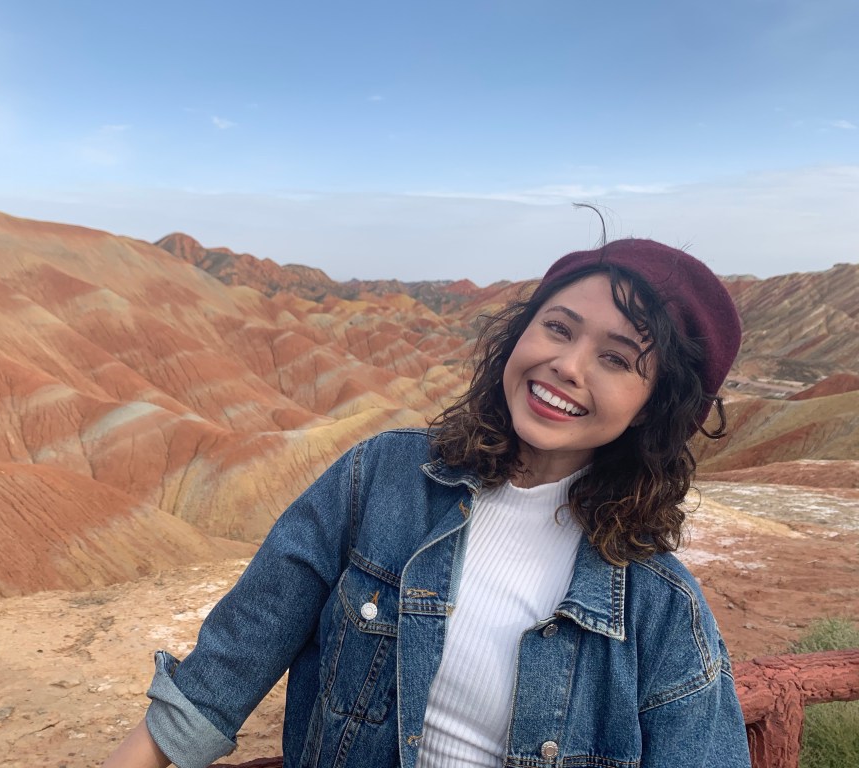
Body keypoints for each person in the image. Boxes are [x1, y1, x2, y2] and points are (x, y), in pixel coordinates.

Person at [104, 238, 752, 768]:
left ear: (654, 407)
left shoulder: (661, 608)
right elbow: (227, 667)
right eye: (558, 328)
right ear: (520, 333)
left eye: (615, 359)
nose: (568, 365)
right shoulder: (382, 479)